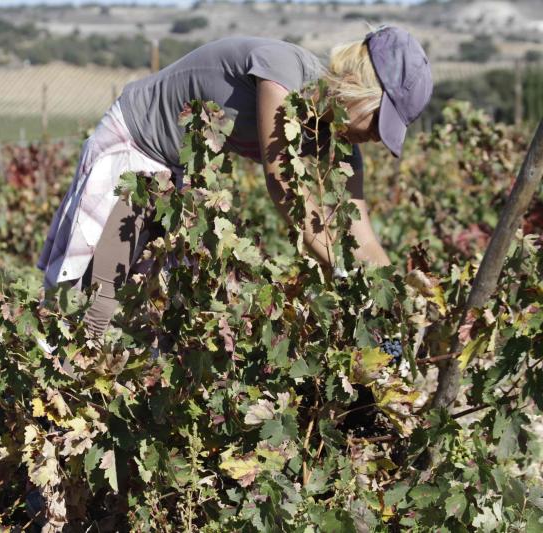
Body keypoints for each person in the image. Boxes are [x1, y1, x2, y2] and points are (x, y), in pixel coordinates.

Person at [37, 25, 433, 340]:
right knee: (98, 292)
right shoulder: (283, 76)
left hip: (183, 173)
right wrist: (349, 276)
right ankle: (50, 387)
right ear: (354, 89)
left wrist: (392, 293)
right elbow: (287, 190)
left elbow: (360, 232)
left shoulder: (340, 139)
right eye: (380, 122)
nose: (379, 138)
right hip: (137, 140)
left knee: (166, 305)